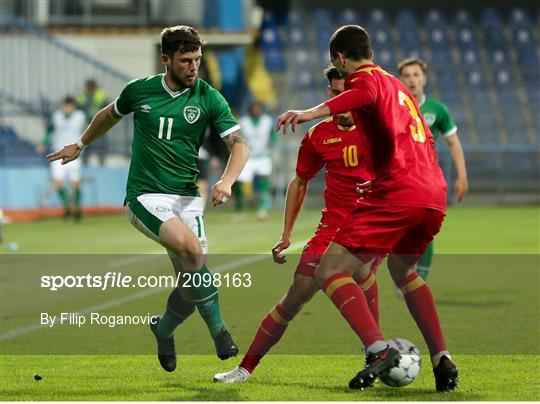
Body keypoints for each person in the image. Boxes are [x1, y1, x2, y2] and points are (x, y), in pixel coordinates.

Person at [48, 25, 250, 372]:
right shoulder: (138, 91)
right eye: (186, 60)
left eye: (198, 60)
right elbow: (108, 115)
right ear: (166, 59)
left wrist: (227, 180)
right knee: (192, 251)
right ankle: (220, 332)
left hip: (187, 199)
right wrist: (80, 145)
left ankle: (163, 328)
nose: (193, 67)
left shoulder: (208, 96)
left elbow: (239, 145)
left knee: (190, 285)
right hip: (145, 195)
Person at [276, 25, 458, 392]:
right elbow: (420, 137)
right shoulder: (399, 87)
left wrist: (310, 112)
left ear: (340, 59)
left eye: (336, 68)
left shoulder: (368, 80)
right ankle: (442, 357)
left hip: (400, 192)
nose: (339, 76)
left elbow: (356, 96)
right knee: (403, 269)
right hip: (432, 192)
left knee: (330, 268)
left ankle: (377, 349)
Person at [214, 66, 379, 383]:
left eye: (348, 91)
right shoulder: (319, 135)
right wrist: (287, 234)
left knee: (359, 271)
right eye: (336, 91)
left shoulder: (378, 130)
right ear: (329, 94)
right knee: (295, 295)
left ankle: (377, 352)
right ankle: (245, 368)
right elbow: (300, 181)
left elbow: (403, 170)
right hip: (331, 230)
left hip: (371, 224)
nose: (342, 97)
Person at [398, 58, 468, 280]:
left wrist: (462, 175)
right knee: (397, 228)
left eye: (416, 75)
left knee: (424, 229)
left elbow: (453, 142)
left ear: (424, 79)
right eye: (407, 75)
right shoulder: (393, 106)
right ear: (401, 79)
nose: (412, 80)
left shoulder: (437, 109)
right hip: (398, 177)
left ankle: (421, 277)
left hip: (426, 178)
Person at [40, 96, 86, 220]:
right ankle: (67, 207)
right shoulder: (56, 116)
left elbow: (89, 129)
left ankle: (77, 208)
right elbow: (49, 131)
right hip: (58, 153)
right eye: (65, 105)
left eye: (69, 105)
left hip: (74, 154)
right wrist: (43, 142)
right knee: (58, 182)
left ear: (74, 106)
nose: (67, 108)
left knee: (75, 183)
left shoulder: (80, 116)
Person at [235, 101, 277, 221]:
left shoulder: (267, 121)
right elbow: (239, 136)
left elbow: (273, 136)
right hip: (248, 157)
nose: (256, 111)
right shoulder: (244, 121)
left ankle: (262, 209)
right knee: (240, 182)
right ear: (250, 110)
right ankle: (240, 209)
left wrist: (272, 143)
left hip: (263, 156)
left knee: (264, 180)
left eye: (258, 108)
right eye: (253, 108)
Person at [76, 79, 109, 164]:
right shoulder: (82, 96)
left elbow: (106, 108)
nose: (89, 89)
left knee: (101, 145)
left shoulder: (101, 95)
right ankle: (84, 162)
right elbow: (78, 109)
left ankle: (101, 163)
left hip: (100, 124)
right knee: (85, 143)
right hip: (86, 124)